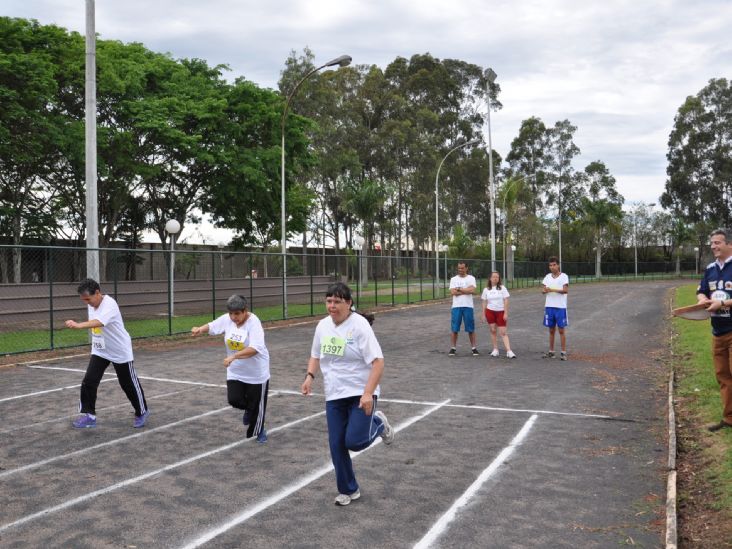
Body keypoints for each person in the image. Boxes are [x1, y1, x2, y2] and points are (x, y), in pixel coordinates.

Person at [301, 282, 395, 506]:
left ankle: (379, 424)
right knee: (336, 444)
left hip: (360, 392)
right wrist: (309, 377)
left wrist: (368, 393)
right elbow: (316, 355)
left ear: (349, 303)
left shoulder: (360, 326)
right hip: (334, 394)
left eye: (337, 301)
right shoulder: (322, 326)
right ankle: (348, 490)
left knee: (354, 441)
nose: (332, 306)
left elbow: (378, 362)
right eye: (329, 301)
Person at [64, 279, 149, 429]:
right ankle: (89, 415)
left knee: (127, 383)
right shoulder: (92, 304)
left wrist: (78, 325)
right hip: (100, 350)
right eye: (84, 300)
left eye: (88, 299)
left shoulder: (110, 304)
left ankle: (141, 411)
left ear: (97, 293)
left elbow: (99, 322)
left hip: (119, 350)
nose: (87, 303)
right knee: (89, 381)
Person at [191, 294, 270, 443]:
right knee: (234, 399)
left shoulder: (254, 323)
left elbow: (255, 348)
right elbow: (213, 325)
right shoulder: (228, 319)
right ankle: (251, 410)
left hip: (256, 373)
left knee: (257, 407)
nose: (233, 317)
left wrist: (234, 356)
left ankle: (259, 430)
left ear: (245, 311)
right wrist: (200, 329)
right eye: (231, 313)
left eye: (237, 314)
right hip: (235, 371)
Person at [696, 228, 732, 432]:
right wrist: (702, 299)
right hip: (717, 332)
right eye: (712, 243)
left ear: (729, 244)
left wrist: (724, 303)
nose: (713, 246)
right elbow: (702, 291)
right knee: (723, 376)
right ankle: (729, 418)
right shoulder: (710, 269)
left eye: (717, 242)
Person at [480, 271, 516, 359]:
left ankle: (509, 351)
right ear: (490, 278)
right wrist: (483, 314)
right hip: (490, 312)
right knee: (492, 330)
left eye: (497, 277)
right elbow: (484, 302)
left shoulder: (502, 288)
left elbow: (506, 300)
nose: (495, 278)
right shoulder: (486, 289)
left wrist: (506, 313)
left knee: (503, 332)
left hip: (500, 312)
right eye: (494, 277)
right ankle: (495, 349)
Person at [448, 262, 479, 356]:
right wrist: (466, 290)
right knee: (454, 328)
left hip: (468, 306)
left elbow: (472, 290)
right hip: (456, 307)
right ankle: (453, 348)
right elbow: (453, 292)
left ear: (466, 268)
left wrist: (459, 289)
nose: (460, 270)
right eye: (459, 268)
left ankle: (474, 348)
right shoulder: (453, 279)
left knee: (470, 328)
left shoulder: (471, 278)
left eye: (462, 268)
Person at [541, 256, 569, 360]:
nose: (552, 267)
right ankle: (551, 352)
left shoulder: (564, 276)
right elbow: (543, 290)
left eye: (554, 265)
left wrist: (552, 289)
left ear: (558, 265)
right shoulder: (547, 277)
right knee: (551, 330)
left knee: (561, 330)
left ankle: (563, 352)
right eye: (550, 265)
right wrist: (545, 290)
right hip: (549, 307)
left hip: (560, 307)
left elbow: (565, 290)